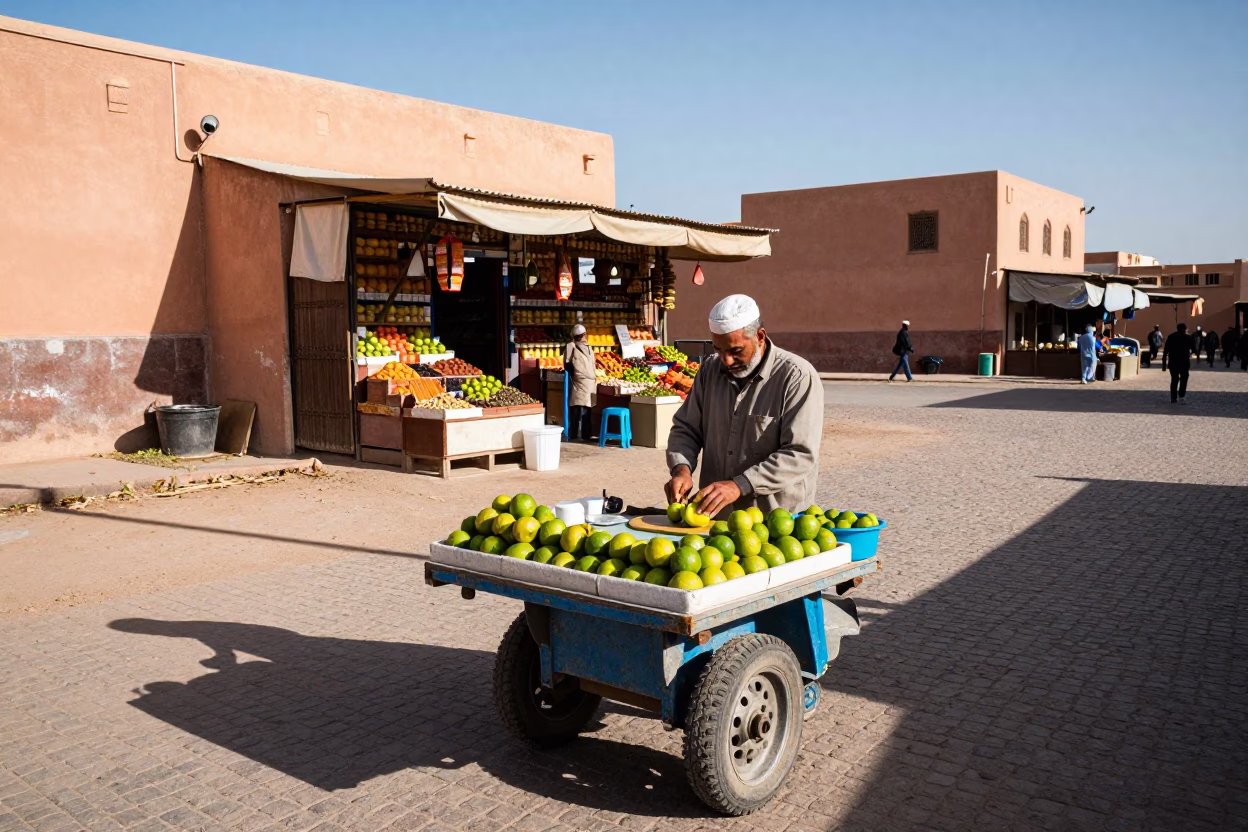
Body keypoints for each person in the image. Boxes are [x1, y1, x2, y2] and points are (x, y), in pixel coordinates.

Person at [665, 294, 823, 518]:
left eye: (736, 351)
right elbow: (686, 429)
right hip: (717, 519)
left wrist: (739, 485)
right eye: (719, 350)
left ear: (759, 336)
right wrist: (681, 469)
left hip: (777, 520)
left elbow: (799, 453)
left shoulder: (796, 376)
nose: (726, 361)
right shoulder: (709, 371)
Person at [563, 324, 595, 441]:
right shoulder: (590, 348)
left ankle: (574, 434)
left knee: (576, 407)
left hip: (580, 381)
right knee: (587, 408)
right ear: (584, 335)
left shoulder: (571, 346)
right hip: (591, 381)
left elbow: (567, 364)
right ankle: (586, 434)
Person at [1163, 323, 1193, 403]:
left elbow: (1165, 351)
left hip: (1173, 362)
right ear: (1185, 328)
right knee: (1184, 379)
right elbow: (1193, 348)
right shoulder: (1188, 337)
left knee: (1174, 379)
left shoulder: (1171, 337)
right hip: (1184, 362)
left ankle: (1173, 398)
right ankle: (1181, 396)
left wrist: (1164, 365)